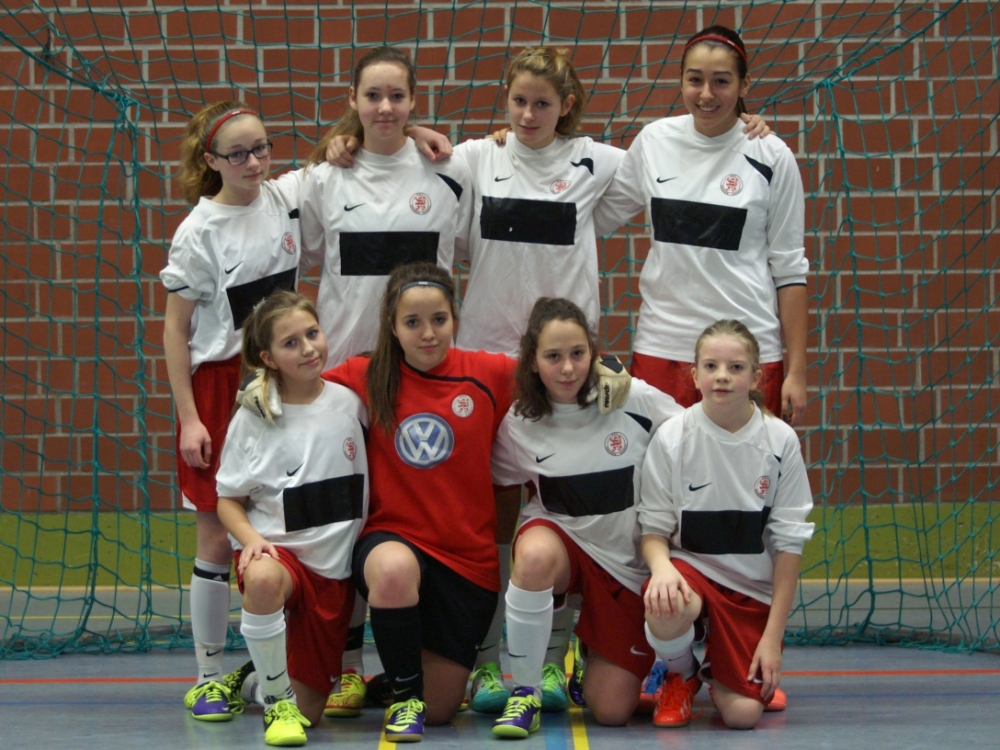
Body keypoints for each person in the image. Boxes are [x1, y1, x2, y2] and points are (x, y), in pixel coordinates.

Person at [327, 46, 772, 715]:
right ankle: (489, 659)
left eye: (542, 103)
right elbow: (405, 156)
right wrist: (372, 133)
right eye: (518, 101)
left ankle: (569, 656)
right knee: (497, 509)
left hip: (565, 366)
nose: (528, 114)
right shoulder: (474, 158)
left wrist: (744, 126)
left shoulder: (601, 162)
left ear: (565, 105)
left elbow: (683, 156)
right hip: (489, 365)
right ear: (504, 102)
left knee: (568, 505)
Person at [320, 262, 517, 742]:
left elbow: (558, 369)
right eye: (412, 322)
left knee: (443, 709)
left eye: (439, 320)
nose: (428, 334)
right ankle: (404, 698)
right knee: (392, 571)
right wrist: (259, 386)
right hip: (394, 542)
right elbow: (300, 385)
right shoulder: (367, 375)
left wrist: (609, 371)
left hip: (466, 563)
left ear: (455, 319)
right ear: (392, 326)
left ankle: (398, 681)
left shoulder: (490, 373)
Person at [161, 101, 301, 721]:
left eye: (261, 148)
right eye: (238, 153)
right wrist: (190, 417)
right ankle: (209, 674)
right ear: (212, 160)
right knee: (218, 535)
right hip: (219, 388)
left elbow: (349, 152)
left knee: (281, 526)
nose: (253, 162)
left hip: (280, 382)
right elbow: (175, 330)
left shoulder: (285, 198)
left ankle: (276, 668)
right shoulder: (199, 230)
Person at [595, 25, 809, 429]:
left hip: (747, 351)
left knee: (745, 467)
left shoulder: (772, 155)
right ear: (681, 80)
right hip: (663, 348)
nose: (706, 94)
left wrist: (796, 372)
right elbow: (596, 217)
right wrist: (530, 149)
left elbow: (790, 270)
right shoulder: (654, 141)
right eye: (695, 80)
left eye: (721, 81)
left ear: (744, 84)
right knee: (661, 466)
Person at [488, 298, 681, 738]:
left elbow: (691, 433)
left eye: (578, 353)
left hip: (624, 564)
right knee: (533, 557)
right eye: (553, 356)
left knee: (611, 711)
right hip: (563, 542)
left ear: (594, 352)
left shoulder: (634, 398)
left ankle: (591, 653)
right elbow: (498, 480)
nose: (567, 368)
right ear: (533, 362)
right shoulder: (520, 423)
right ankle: (526, 692)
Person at [639, 319, 814, 730]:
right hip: (692, 573)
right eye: (711, 366)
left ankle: (722, 673)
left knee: (742, 716)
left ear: (756, 377)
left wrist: (772, 640)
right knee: (665, 603)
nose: (722, 376)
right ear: (694, 375)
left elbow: (789, 545)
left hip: (749, 590)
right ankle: (681, 673)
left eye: (735, 367)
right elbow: (653, 531)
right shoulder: (672, 437)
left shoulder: (780, 441)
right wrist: (661, 569)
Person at [215, 291, 368, 746]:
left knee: (311, 715)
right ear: (268, 358)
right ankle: (275, 703)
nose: (307, 348)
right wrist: (251, 541)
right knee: (262, 578)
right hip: (279, 557)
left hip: (331, 575)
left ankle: (252, 680)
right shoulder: (254, 416)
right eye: (290, 343)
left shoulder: (351, 404)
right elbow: (227, 500)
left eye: (312, 334)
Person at [300, 45, 473, 368]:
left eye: (396, 96)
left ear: (413, 99)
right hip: (345, 359)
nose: (385, 107)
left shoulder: (450, 171)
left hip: (425, 360)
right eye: (372, 96)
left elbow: (461, 247)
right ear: (353, 98)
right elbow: (308, 255)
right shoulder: (324, 178)